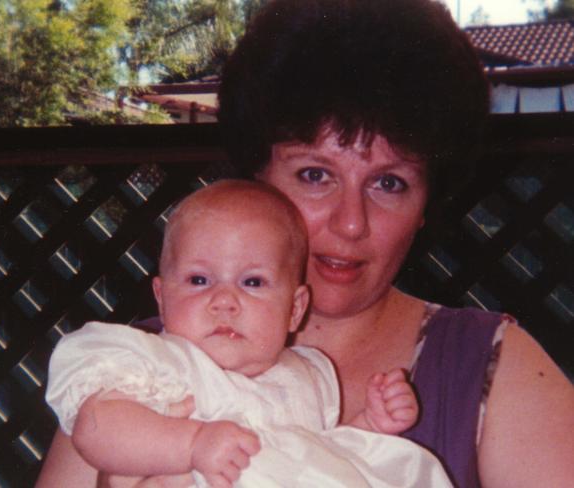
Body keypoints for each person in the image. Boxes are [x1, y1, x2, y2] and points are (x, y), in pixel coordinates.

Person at [36, 1, 574, 487]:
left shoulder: (489, 369)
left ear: (427, 203)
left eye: (390, 183)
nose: (351, 223)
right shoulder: (137, 373)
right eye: (316, 174)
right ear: (256, 176)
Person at [43, 180, 452, 488]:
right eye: (200, 279)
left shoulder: (308, 375)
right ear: (162, 297)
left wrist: (369, 426)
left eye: (253, 283)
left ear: (294, 309)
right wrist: (191, 444)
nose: (225, 301)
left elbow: (323, 457)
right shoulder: (157, 363)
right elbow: (95, 428)